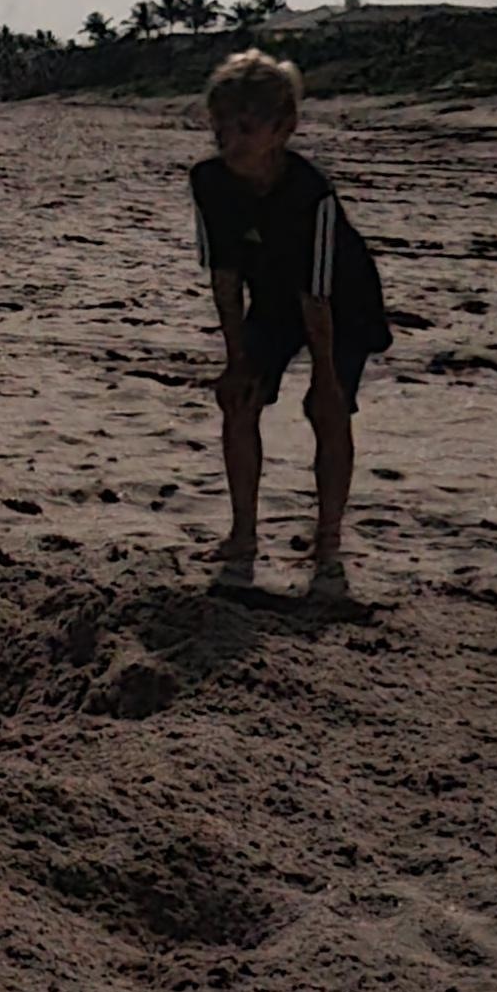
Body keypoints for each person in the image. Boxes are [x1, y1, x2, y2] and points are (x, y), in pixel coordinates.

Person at [188, 50, 390, 603]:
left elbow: (318, 295)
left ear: (283, 129)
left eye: (245, 128)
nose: (229, 141)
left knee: (326, 408)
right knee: (239, 400)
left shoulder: (310, 193)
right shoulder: (209, 182)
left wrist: (325, 377)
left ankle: (327, 543)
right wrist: (237, 361)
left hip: (340, 300)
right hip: (273, 299)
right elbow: (225, 279)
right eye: (220, 128)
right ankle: (243, 536)